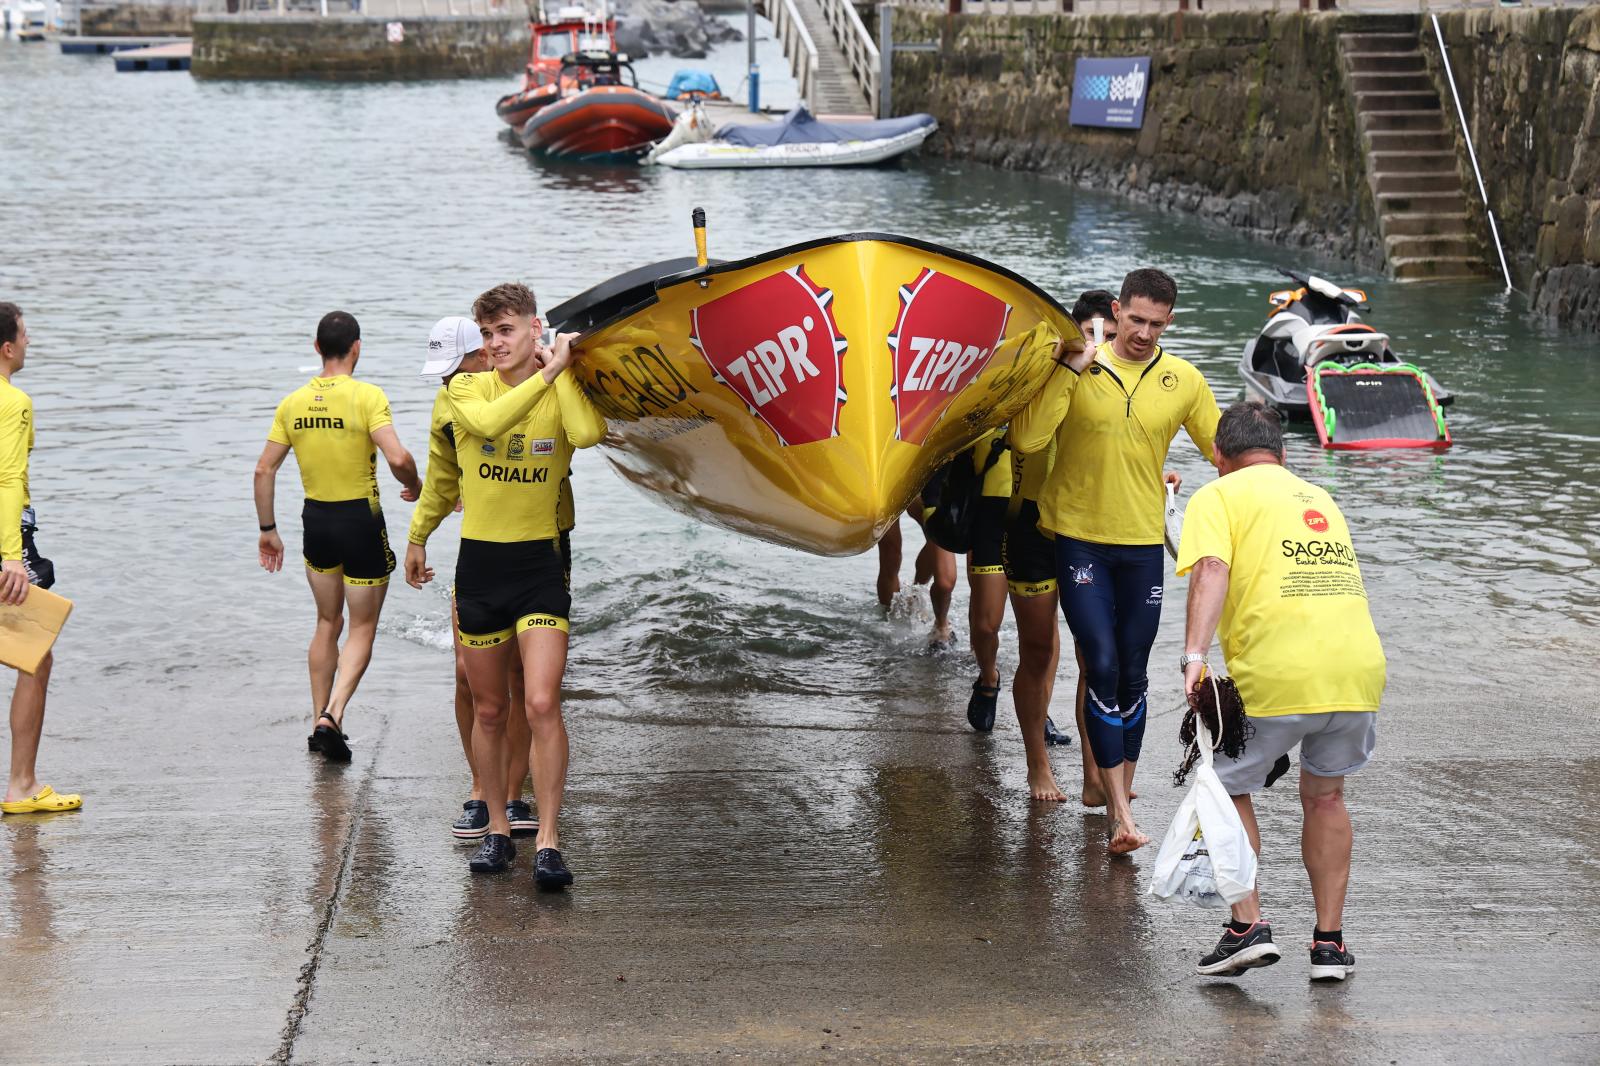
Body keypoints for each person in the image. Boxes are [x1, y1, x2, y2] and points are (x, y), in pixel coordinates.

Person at [1012, 268, 1219, 853]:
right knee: (1100, 664)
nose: (1144, 333)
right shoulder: (1081, 367)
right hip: (1079, 539)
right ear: (1116, 310)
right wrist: (1070, 369)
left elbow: (1226, 453)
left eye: (1157, 324)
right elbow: (1026, 440)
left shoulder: (1183, 379)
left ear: (1169, 321)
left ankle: (1116, 795)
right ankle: (1121, 815)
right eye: (1135, 320)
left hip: (1142, 545)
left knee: (1133, 672)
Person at [1176, 401, 1384, 981]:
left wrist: (1194, 657)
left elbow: (1211, 568)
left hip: (1278, 674)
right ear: (1283, 454)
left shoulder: (1217, 495)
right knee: (1326, 797)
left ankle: (1247, 927)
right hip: (1357, 672)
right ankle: (1329, 946)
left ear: (1218, 455)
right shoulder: (1320, 498)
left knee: (1224, 787)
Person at [446, 283, 603, 888]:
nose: (494, 343)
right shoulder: (466, 389)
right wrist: (549, 372)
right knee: (490, 709)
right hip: (480, 569)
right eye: (487, 333)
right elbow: (490, 421)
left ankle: (549, 841)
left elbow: (587, 435)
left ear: (535, 329)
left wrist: (560, 374)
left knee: (540, 702)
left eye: (506, 330)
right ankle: (496, 829)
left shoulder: (557, 388)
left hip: (538, 565)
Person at [254, 311, 420, 762]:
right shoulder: (367, 396)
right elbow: (397, 457)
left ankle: (317, 722)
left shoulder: (292, 403)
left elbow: (264, 469)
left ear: (317, 348)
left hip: (317, 522)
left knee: (328, 622)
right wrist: (416, 484)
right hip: (361, 521)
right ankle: (334, 713)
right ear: (357, 347)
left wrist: (268, 530)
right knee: (363, 625)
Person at [404, 316, 538, 842]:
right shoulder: (449, 403)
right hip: (480, 553)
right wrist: (418, 536)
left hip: (540, 546)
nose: (446, 381)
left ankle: (514, 791)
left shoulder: (532, 381)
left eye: (453, 369)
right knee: (467, 673)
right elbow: (441, 479)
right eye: (440, 374)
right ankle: (482, 789)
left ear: (485, 353)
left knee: (523, 679)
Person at [999, 289, 1117, 802]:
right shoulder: (1043, 375)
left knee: (1096, 657)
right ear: (1072, 335)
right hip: (1031, 527)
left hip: (1086, 529)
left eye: (1109, 336)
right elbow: (1027, 441)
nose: (1100, 345)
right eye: (1090, 334)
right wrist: (1070, 370)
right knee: (1040, 650)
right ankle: (1037, 764)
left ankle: (1094, 772)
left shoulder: (1116, 384)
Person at [0, 303, 80, 817]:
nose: (29, 342)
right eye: (25, 335)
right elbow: (8, 478)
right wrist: (11, 557)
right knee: (36, 654)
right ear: (7, 347)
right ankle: (21, 786)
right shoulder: (14, 401)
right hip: (8, 542)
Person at [963, 427, 1012, 731]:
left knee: (1042, 633)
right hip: (990, 511)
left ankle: (1038, 708)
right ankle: (989, 676)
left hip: (1039, 509)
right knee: (984, 626)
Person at [875, 471, 957, 648]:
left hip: (918, 469)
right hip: (884, 476)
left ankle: (915, 592)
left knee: (936, 536)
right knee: (890, 551)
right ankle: (889, 623)